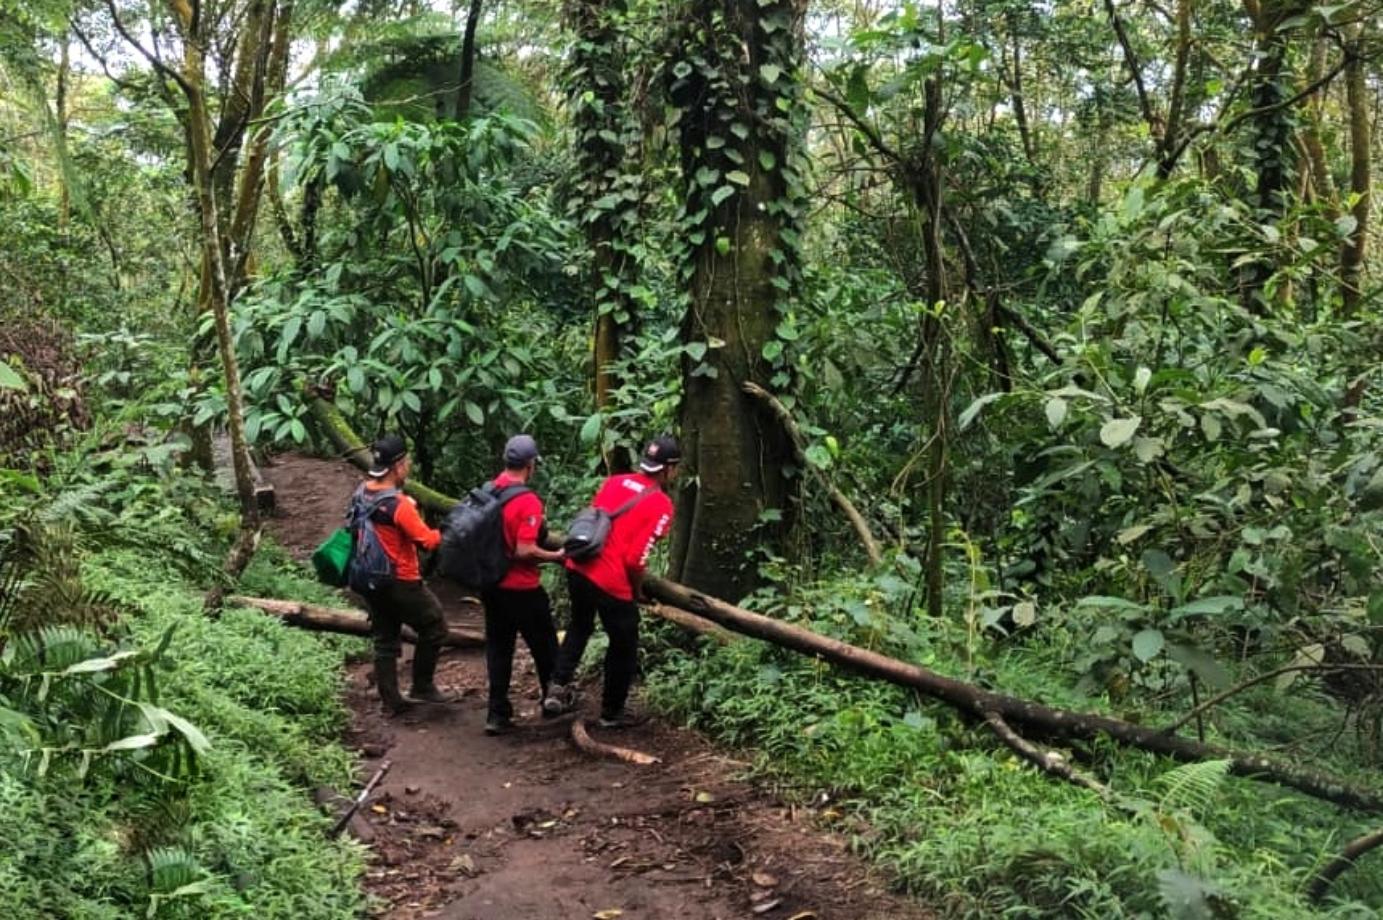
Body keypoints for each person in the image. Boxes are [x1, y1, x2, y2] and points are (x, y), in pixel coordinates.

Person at [543, 435, 680, 728]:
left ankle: (557, 686)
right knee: (623, 642)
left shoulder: (615, 482)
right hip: (610, 579)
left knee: (580, 625)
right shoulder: (661, 505)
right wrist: (637, 591)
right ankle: (611, 712)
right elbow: (635, 559)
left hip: (578, 565)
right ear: (669, 468)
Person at [352, 434, 458, 715]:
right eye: (407, 460)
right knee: (435, 627)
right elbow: (427, 541)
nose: (409, 465)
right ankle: (422, 686)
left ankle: (391, 701)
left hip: (368, 578)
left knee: (385, 638)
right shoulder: (400, 505)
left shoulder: (362, 491)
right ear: (398, 466)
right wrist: (446, 531)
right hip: (400, 580)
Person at [480, 434, 565, 735]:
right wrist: (556, 556)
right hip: (522, 588)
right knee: (546, 648)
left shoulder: (489, 490)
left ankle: (497, 713)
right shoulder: (527, 500)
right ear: (530, 465)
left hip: (491, 585)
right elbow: (524, 550)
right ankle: (553, 702)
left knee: (499, 649)